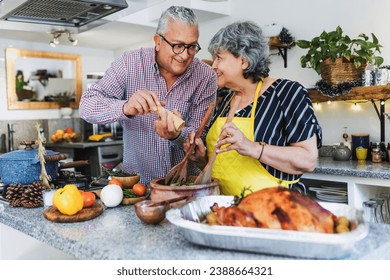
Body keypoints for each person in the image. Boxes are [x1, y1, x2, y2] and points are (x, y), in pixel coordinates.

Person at [79, 6, 217, 184]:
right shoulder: (129, 64)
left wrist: (176, 135)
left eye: (191, 46)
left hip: (185, 185)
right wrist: (125, 107)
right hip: (136, 187)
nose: (184, 55)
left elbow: (199, 136)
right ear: (158, 41)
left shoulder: (206, 76)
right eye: (177, 46)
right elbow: (87, 106)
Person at [186, 21, 322, 196]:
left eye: (219, 58)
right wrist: (201, 158)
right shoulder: (227, 99)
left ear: (243, 61)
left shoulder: (287, 93)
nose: (214, 66)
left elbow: (308, 159)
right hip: (224, 210)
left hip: (270, 210)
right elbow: (223, 164)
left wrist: (252, 148)